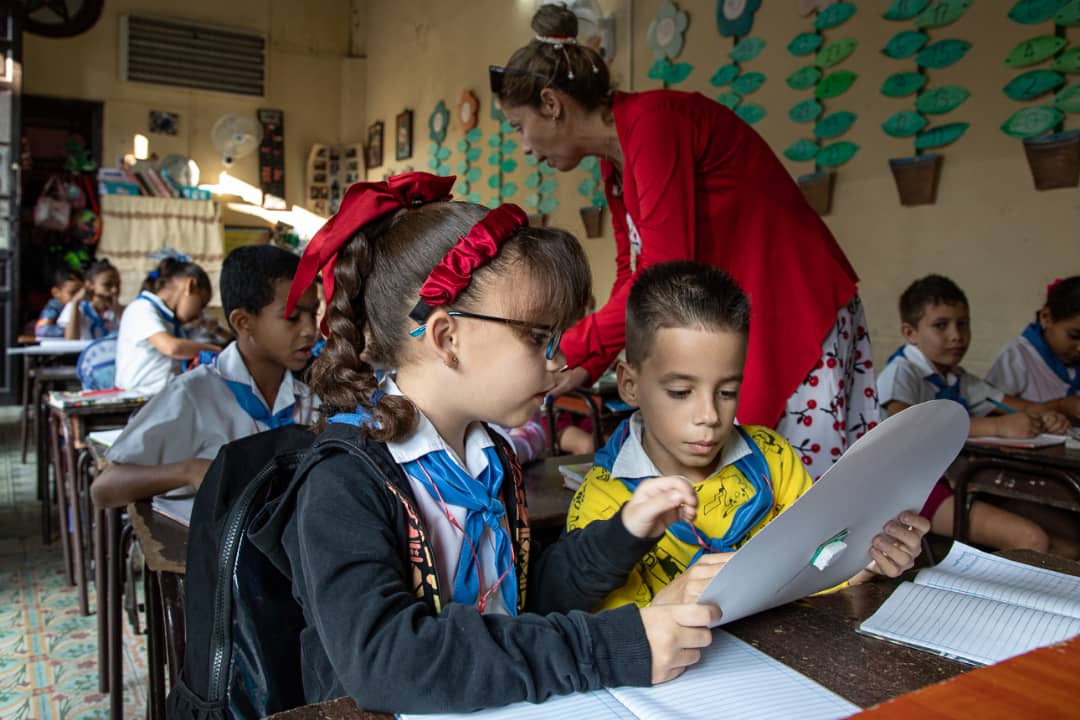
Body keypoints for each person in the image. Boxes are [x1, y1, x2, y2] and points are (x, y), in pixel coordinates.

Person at [257, 173, 720, 713]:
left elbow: (517, 599)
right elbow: (387, 660)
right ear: (447, 338)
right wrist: (611, 646)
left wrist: (624, 532)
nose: (559, 361)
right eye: (538, 338)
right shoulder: (344, 480)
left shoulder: (488, 455)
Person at [493, 4, 874, 479]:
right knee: (750, 482)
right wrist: (587, 361)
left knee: (799, 483)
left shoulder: (654, 124)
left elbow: (663, 276)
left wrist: (563, 348)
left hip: (795, 304)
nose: (526, 147)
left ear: (551, 104)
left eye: (519, 126)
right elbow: (633, 274)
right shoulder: (616, 162)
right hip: (751, 308)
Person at [566, 261, 929, 609]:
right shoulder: (603, 509)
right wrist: (667, 608)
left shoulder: (772, 456)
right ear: (629, 384)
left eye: (727, 392)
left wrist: (864, 563)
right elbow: (612, 635)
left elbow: (814, 566)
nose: (709, 416)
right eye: (680, 392)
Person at [92, 244, 320, 508]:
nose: (310, 330)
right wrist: (188, 471)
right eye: (292, 317)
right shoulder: (194, 394)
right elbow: (104, 490)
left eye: (313, 314)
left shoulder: (310, 398)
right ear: (243, 322)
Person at [877, 274, 1074, 556]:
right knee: (1031, 540)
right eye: (941, 325)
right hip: (908, 488)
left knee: (1068, 544)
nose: (956, 335)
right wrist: (997, 427)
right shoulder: (902, 371)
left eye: (963, 323)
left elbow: (1017, 405)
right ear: (910, 333)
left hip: (954, 481)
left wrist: (1048, 416)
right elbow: (906, 424)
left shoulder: (958, 378)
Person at [114, 256, 221, 393]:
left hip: (164, 396)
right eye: (201, 304)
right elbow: (172, 348)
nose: (199, 313)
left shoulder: (171, 321)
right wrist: (216, 351)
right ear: (190, 286)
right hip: (138, 397)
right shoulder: (141, 308)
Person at [987, 276, 1080, 415]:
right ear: (1046, 317)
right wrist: (1060, 407)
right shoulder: (1017, 356)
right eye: (1074, 336)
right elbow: (990, 408)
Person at [59, 258, 123, 339]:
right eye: (107, 285)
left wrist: (119, 312)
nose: (114, 290)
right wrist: (75, 303)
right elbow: (71, 339)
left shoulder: (120, 311)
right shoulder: (78, 307)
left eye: (118, 284)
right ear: (89, 285)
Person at [35, 266, 83, 338]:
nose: (79, 297)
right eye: (73, 293)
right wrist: (70, 330)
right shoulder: (55, 306)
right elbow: (42, 330)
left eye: (81, 293)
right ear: (56, 292)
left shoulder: (84, 305)